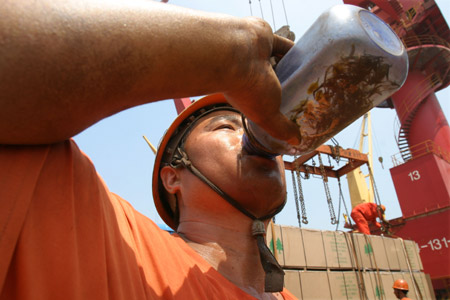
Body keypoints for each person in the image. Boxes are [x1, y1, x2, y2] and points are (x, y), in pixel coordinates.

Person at [0, 0, 300, 299]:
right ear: (173, 178)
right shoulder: (118, 244)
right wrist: (234, 52)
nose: (252, 134)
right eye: (225, 126)